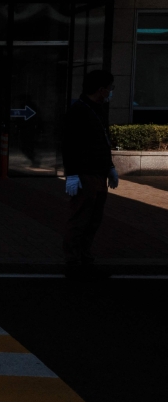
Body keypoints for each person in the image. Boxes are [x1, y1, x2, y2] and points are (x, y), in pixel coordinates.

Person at [61, 69, 118, 278]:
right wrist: (73, 174)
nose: (111, 92)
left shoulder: (98, 109)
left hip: (97, 173)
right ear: (101, 90)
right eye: (110, 88)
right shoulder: (78, 111)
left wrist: (109, 167)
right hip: (85, 174)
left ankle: (84, 256)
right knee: (80, 218)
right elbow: (69, 146)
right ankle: (73, 260)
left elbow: (103, 143)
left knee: (93, 219)